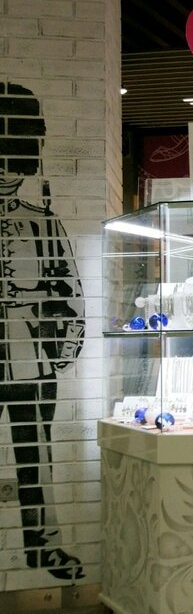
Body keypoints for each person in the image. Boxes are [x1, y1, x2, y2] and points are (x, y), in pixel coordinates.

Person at [0, 83, 84, 581]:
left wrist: (62, 351)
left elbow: (70, 292)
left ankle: (43, 545)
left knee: (37, 457)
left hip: (30, 355)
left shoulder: (41, 223)